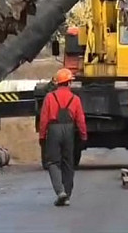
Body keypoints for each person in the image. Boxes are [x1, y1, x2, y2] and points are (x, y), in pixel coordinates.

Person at [38, 68, 88, 207]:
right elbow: (81, 120)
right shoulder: (75, 99)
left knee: (53, 163)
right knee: (68, 163)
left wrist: (42, 136)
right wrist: (83, 136)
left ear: (57, 83)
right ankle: (67, 194)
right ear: (69, 83)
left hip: (54, 130)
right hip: (69, 130)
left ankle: (60, 192)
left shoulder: (49, 97)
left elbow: (43, 119)